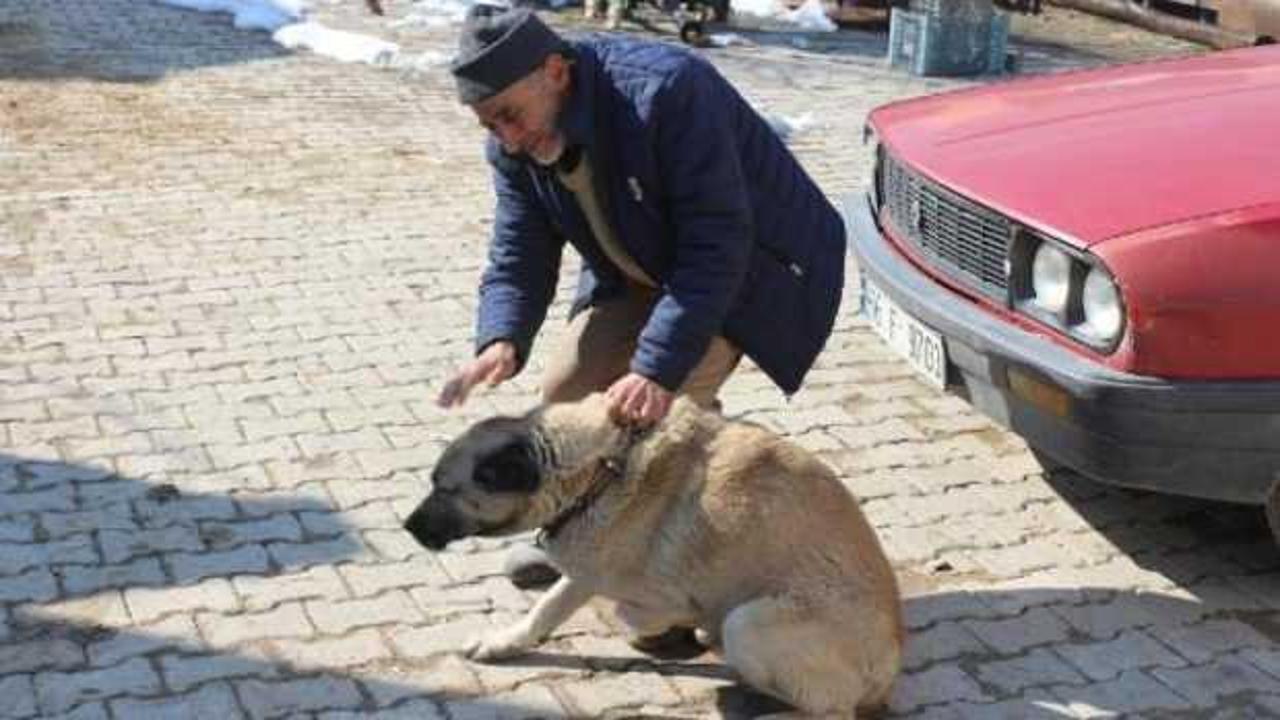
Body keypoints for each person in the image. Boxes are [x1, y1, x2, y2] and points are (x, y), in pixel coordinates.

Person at [437, 5, 847, 590]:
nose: (508, 136)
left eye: (509, 115)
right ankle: (581, 535)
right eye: (489, 125)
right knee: (566, 394)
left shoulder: (667, 91)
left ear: (555, 71)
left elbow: (716, 241)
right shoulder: (514, 145)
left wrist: (656, 368)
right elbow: (519, 250)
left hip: (754, 266)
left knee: (653, 418)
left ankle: (671, 568)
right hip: (643, 263)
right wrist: (500, 337)